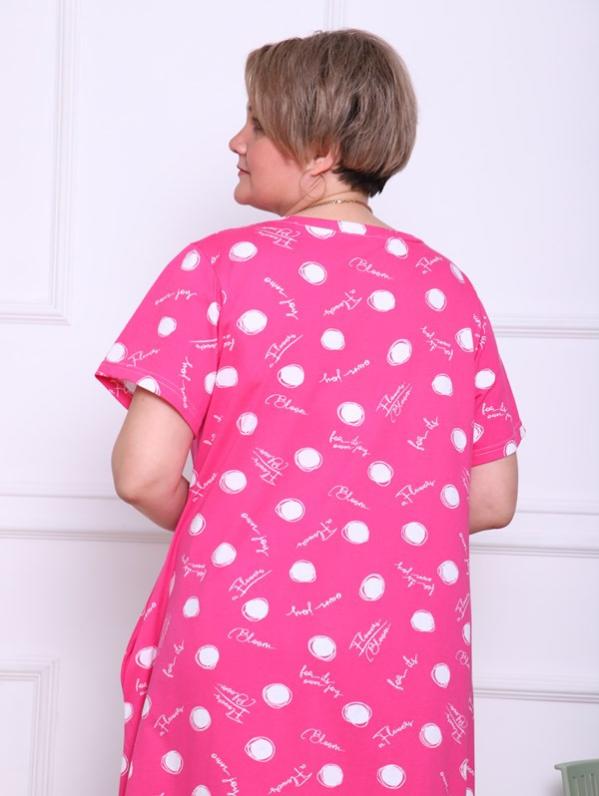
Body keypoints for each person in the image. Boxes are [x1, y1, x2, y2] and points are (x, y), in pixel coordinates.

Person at [94, 27, 525, 796]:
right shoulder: (447, 288)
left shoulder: (218, 267)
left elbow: (142, 476)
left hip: (241, 637)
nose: (237, 141)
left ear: (321, 148)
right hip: (402, 653)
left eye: (257, 123)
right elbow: (490, 498)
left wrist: (252, 527)